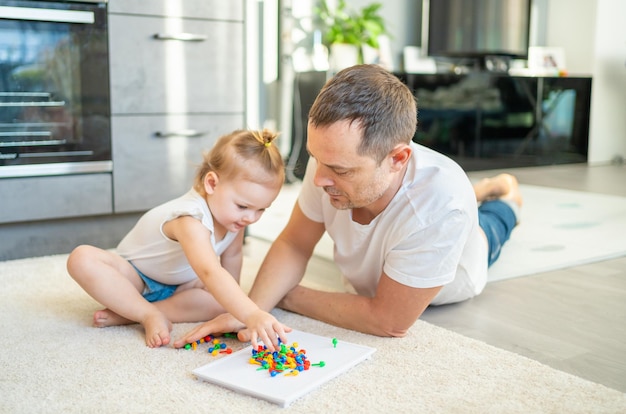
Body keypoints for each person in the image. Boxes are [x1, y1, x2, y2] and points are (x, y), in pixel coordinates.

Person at [173, 64, 521, 347]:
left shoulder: (443, 205)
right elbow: (295, 243)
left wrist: (285, 296)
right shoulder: (327, 161)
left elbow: (387, 321)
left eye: (340, 170)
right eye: (316, 159)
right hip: (411, 223)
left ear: (397, 159)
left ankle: (504, 192)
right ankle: (487, 191)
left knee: (497, 217)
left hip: (466, 254)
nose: (319, 178)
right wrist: (251, 309)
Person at [67, 129, 291, 349]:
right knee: (82, 258)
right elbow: (210, 272)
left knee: (221, 303)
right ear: (212, 183)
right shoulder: (190, 218)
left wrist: (236, 307)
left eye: (261, 209)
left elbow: (232, 257)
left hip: (180, 284)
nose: (251, 217)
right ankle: (146, 313)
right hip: (135, 278)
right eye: (243, 206)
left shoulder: (235, 220)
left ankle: (127, 314)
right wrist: (252, 313)